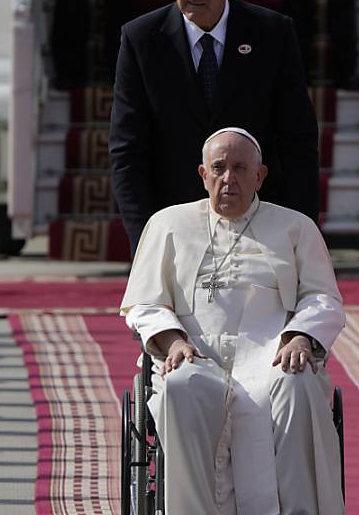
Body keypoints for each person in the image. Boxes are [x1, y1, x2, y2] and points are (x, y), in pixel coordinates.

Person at [120, 127, 345, 514]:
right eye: (219, 168)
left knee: (297, 385)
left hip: (273, 353)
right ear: (203, 175)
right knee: (179, 387)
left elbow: (322, 297)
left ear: (260, 176)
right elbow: (144, 303)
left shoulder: (295, 227)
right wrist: (173, 341)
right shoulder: (166, 225)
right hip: (195, 352)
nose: (229, 178)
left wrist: (300, 339)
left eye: (241, 168)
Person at [109, 0, 320, 255]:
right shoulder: (141, 40)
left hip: (259, 229)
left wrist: (300, 235)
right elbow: (127, 151)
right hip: (173, 230)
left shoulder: (272, 34)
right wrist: (146, 243)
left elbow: (298, 142)